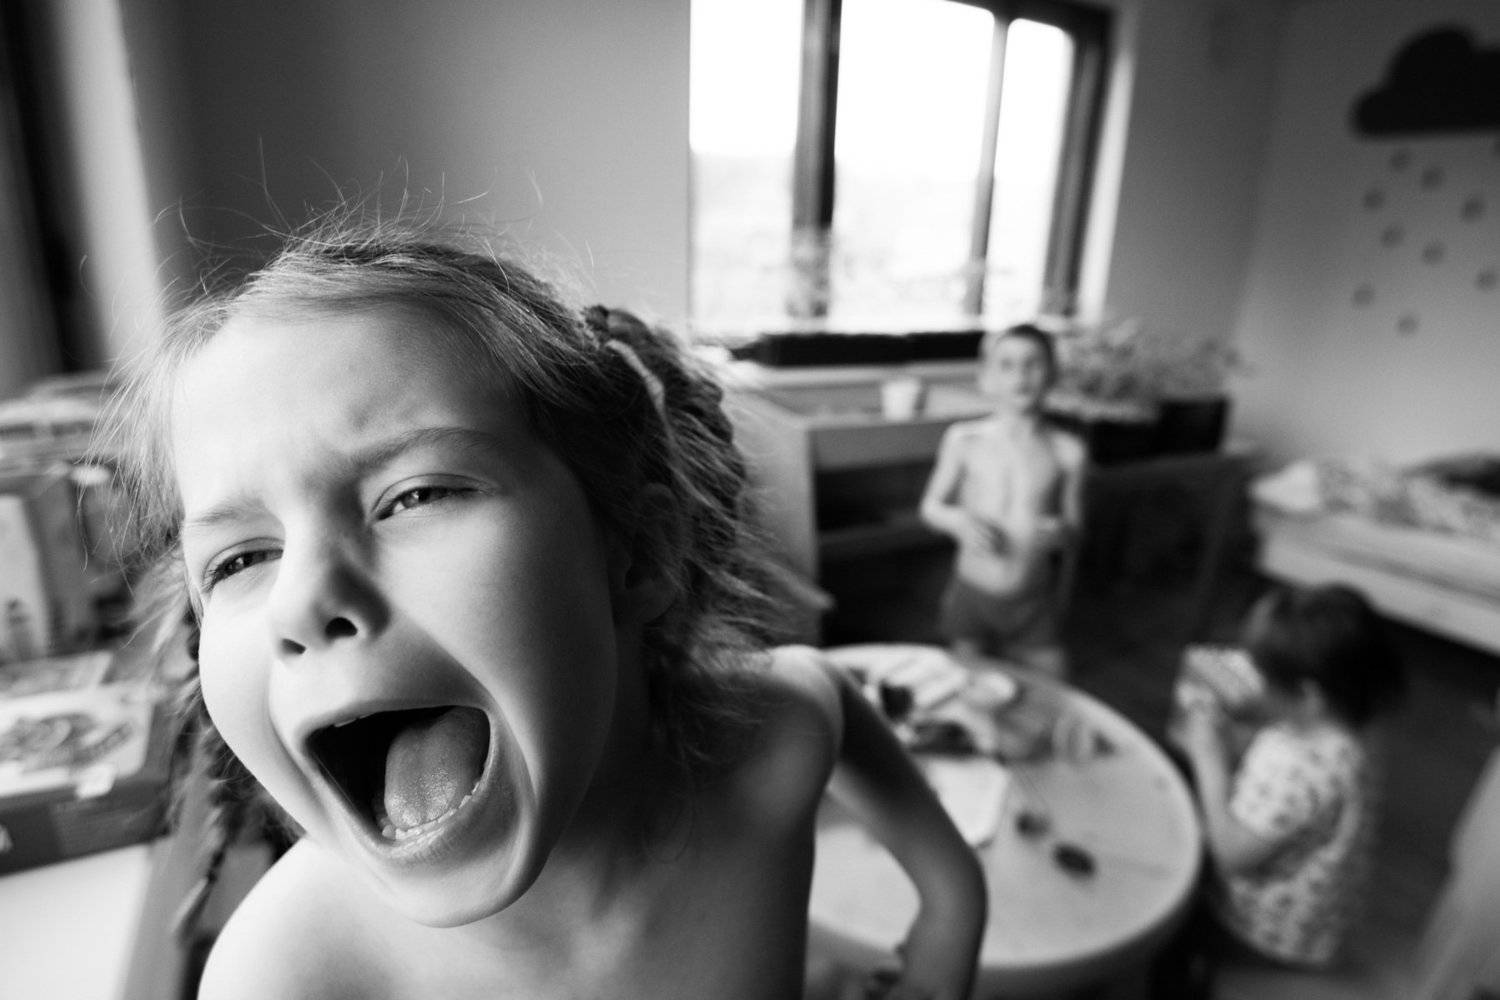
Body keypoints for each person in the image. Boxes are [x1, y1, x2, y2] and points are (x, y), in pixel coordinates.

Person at [101, 213, 986, 1000]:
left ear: (637, 552)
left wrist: (951, 910)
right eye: (240, 558)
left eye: (416, 495)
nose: (301, 600)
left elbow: (824, 695)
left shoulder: (770, 753)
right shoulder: (286, 975)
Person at [1154, 582, 1408, 997]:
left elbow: (1231, 854)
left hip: (1262, 932)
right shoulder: (1357, 729)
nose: (1250, 678)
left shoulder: (1296, 767)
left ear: (1308, 696)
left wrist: (1208, 759)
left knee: (1170, 924)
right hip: (1320, 926)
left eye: (1262, 675)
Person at [918, 324, 1086, 677]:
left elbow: (1076, 531)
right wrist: (959, 522)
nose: (1020, 376)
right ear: (986, 378)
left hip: (1032, 600)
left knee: (1057, 686)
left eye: (1033, 364)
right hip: (971, 593)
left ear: (1053, 374)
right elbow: (930, 507)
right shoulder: (964, 440)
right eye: (1006, 365)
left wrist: (1061, 533)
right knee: (966, 682)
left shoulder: (1068, 452)